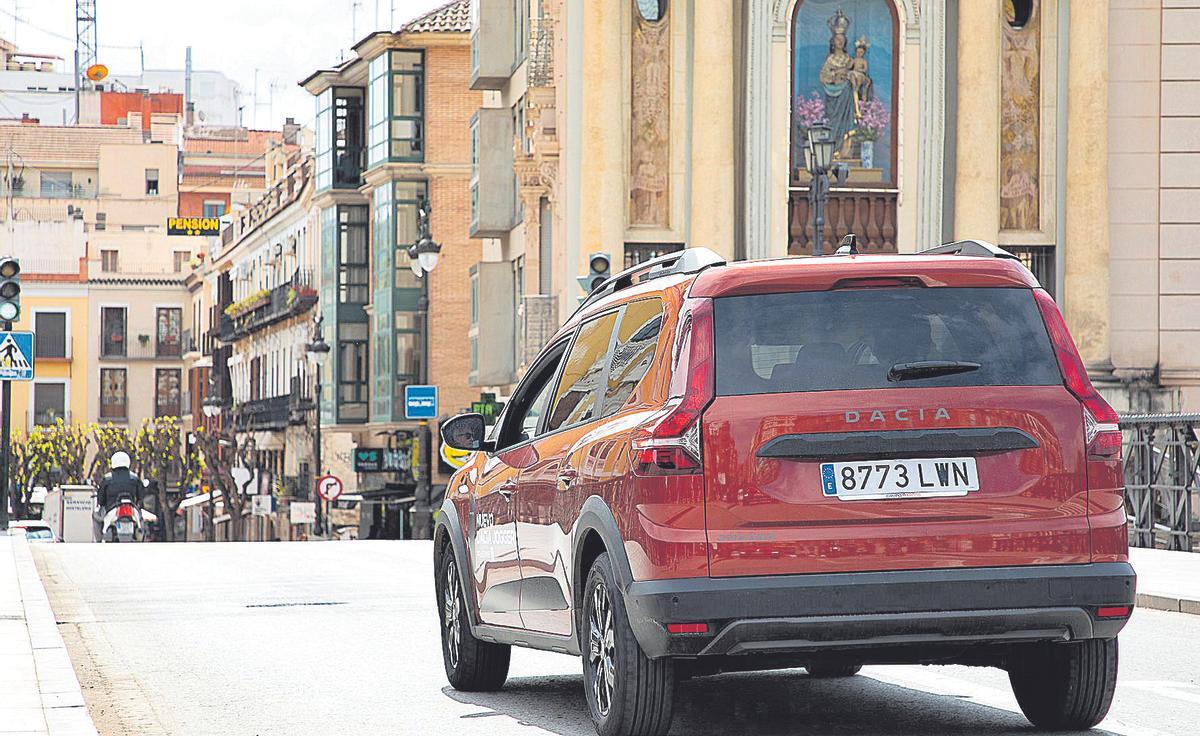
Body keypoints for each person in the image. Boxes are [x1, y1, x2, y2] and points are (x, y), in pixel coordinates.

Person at [94, 452, 143, 541]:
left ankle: (99, 539)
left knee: (95, 515)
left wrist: (101, 503)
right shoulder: (135, 478)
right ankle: (140, 534)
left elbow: (100, 500)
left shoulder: (107, 478)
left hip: (111, 509)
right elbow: (141, 496)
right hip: (131, 507)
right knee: (140, 518)